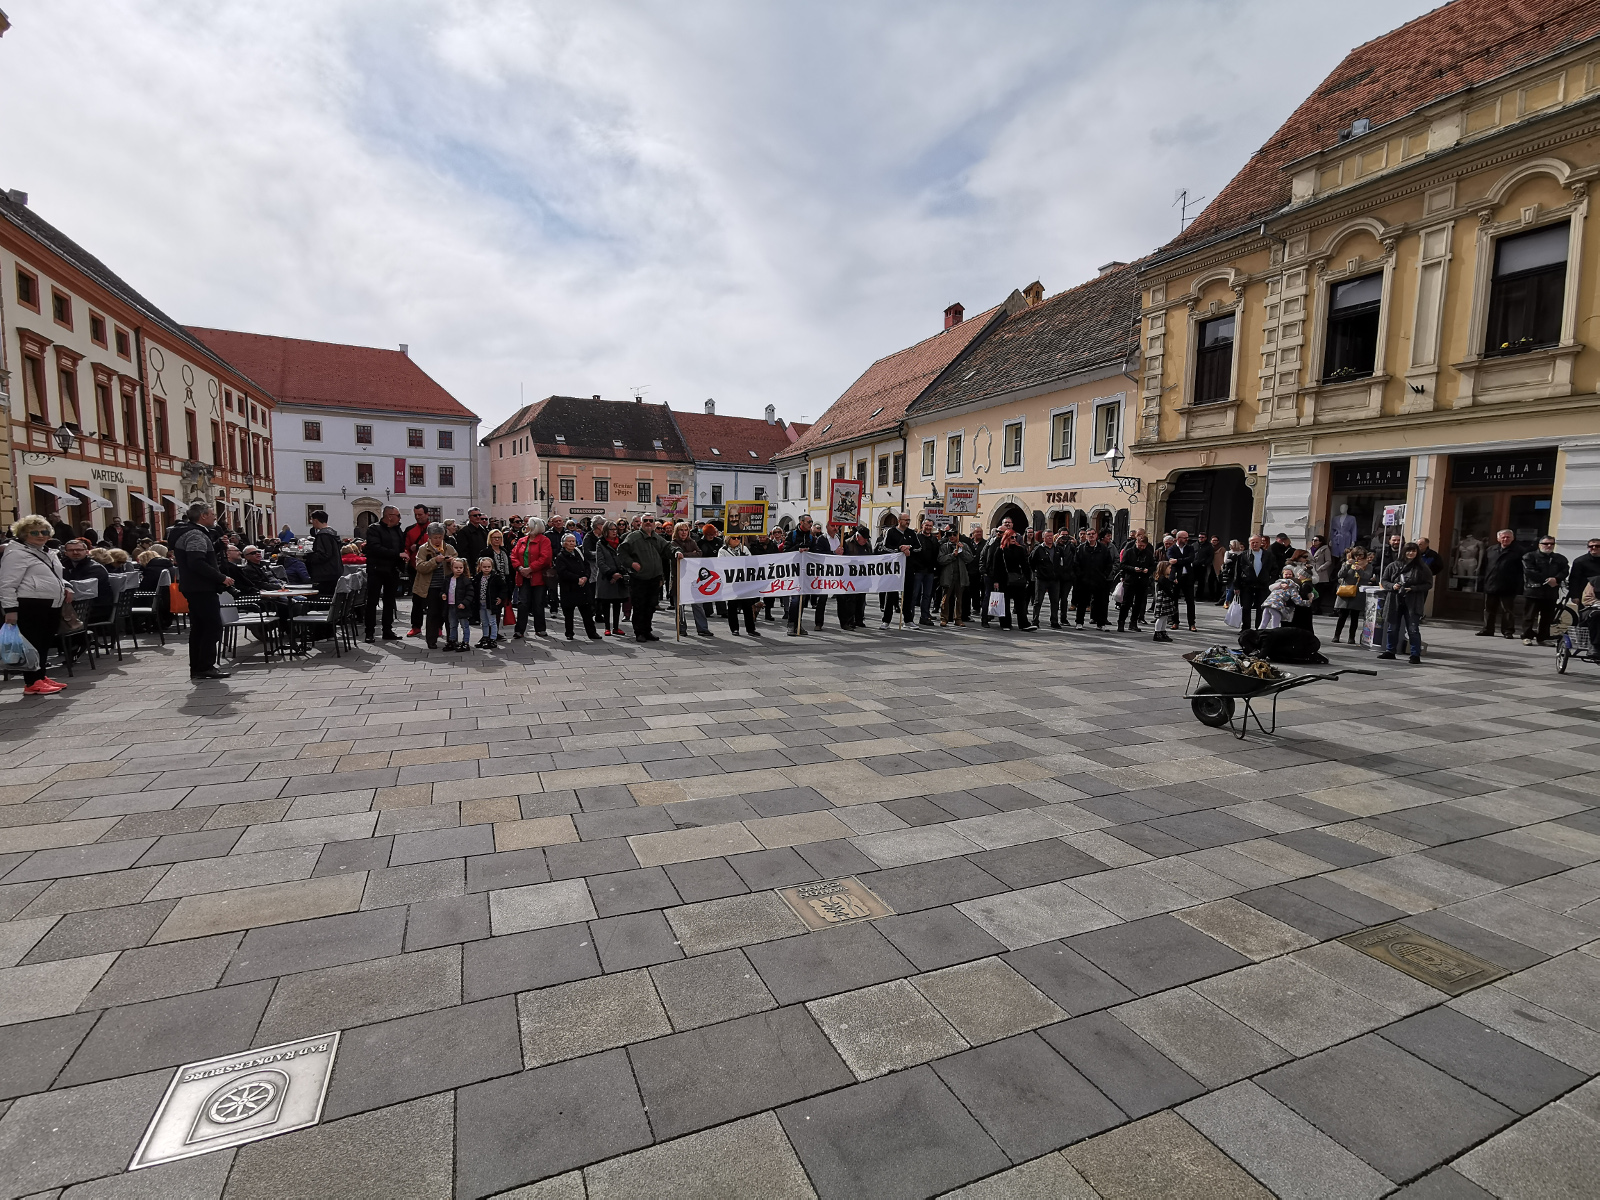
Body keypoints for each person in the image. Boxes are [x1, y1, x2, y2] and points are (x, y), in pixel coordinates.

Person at [1, 515, 73, 695]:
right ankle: (32, 682)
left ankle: (40, 676)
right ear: (23, 534)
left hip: (51, 603)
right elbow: (7, 584)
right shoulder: (16, 553)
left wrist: (66, 586)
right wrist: (10, 610)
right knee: (32, 644)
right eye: (34, 532)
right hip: (30, 603)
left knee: (44, 642)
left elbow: (54, 576)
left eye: (44, 531)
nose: (41, 535)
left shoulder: (48, 552)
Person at [172, 501, 233, 680]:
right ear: (203, 515)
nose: (215, 518)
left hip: (193, 587)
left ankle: (198, 667)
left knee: (199, 627)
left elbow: (198, 556)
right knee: (212, 626)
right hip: (201, 587)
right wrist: (220, 577)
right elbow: (197, 562)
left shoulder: (188, 532)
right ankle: (205, 666)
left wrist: (217, 546)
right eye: (212, 514)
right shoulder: (196, 534)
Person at [1378, 542, 1432, 664]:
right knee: (1392, 628)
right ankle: (1390, 651)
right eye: (1408, 550)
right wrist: (1393, 586)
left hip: (1413, 602)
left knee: (1413, 629)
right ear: (1404, 552)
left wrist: (1413, 588)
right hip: (1394, 600)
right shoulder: (1393, 566)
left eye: (1414, 551)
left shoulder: (1422, 567)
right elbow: (1384, 581)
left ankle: (1415, 654)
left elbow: (1428, 584)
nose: (1411, 553)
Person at [621, 515, 670, 642]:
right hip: (639, 578)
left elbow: (667, 547)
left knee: (651, 606)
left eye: (651, 521)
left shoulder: (657, 537)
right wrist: (631, 563)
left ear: (654, 523)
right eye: (645, 520)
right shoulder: (633, 537)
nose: (648, 523)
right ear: (641, 523)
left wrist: (677, 552)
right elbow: (621, 552)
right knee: (639, 606)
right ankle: (639, 632)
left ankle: (647, 631)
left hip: (654, 578)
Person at [362, 506, 407, 642]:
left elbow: (401, 546)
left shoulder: (397, 530)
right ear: (390, 516)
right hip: (377, 569)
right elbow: (375, 548)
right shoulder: (374, 529)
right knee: (372, 601)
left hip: (392, 569)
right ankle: (369, 632)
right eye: (398, 515)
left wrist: (403, 556)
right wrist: (397, 554)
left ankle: (387, 630)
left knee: (389, 601)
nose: (400, 518)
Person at [412, 523, 454, 649]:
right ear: (429, 537)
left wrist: (452, 562)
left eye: (440, 537)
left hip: (446, 586)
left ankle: (452, 639)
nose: (438, 540)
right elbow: (420, 567)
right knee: (433, 613)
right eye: (435, 537)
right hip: (430, 587)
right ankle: (431, 640)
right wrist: (434, 561)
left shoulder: (449, 548)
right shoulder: (423, 549)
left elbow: (459, 564)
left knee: (448, 614)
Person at [1522, 535, 1568, 645]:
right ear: (1539, 545)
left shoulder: (1559, 558)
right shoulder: (1529, 556)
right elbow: (1529, 571)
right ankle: (1526, 636)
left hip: (1550, 592)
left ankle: (1543, 638)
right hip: (1534, 591)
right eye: (1546, 544)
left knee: (1547, 617)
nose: (1549, 546)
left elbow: (1565, 570)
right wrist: (1548, 580)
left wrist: (1556, 579)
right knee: (1529, 616)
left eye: (1552, 544)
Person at [555, 533, 601, 640]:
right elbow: (562, 572)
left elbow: (587, 566)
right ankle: (569, 633)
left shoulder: (579, 552)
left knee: (587, 612)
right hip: (569, 588)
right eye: (569, 541)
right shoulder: (561, 557)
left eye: (573, 541)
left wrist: (585, 577)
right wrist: (577, 579)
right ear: (563, 544)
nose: (572, 543)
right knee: (569, 613)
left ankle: (592, 633)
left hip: (583, 587)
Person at [511, 519, 553, 639]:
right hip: (523, 576)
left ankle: (540, 628)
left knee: (538, 603)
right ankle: (519, 630)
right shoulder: (522, 540)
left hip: (538, 577)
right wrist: (520, 568)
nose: (525, 526)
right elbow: (513, 555)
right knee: (522, 603)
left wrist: (530, 569)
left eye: (528, 525)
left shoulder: (544, 540)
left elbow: (545, 558)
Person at [60, 539, 113, 625]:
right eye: (71, 550)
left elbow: (78, 589)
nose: (75, 552)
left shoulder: (95, 568)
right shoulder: (62, 565)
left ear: (87, 552)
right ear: (65, 553)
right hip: (75, 607)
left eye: (79, 550)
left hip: (95, 609)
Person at [718, 536, 762, 636]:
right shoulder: (723, 550)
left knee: (747, 605)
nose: (737, 540)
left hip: (744, 580)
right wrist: (737, 560)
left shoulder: (744, 548)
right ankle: (734, 628)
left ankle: (751, 629)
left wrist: (745, 559)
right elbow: (721, 564)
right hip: (732, 582)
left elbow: (752, 562)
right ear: (728, 539)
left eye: (738, 538)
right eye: (734, 538)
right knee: (732, 606)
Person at [1074, 529, 1115, 629]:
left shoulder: (1103, 549)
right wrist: (1081, 576)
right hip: (1085, 580)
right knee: (1082, 602)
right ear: (1086, 536)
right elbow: (1076, 564)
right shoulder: (1081, 548)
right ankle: (1079, 622)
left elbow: (1109, 564)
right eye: (1089, 534)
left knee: (1101, 602)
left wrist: (1104, 575)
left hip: (1099, 579)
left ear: (1096, 535)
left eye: (1093, 534)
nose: (1091, 536)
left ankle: (1101, 623)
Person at [594, 523, 630, 635]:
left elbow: (625, 558)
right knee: (606, 603)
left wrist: (620, 573)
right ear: (606, 531)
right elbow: (600, 562)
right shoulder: (601, 543)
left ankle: (616, 627)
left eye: (615, 529)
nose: (614, 531)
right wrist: (611, 574)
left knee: (617, 603)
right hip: (606, 578)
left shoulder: (621, 542)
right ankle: (607, 627)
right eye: (611, 529)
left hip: (619, 577)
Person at [403, 504, 433, 637]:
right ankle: (416, 626)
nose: (418, 517)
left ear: (427, 514)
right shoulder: (410, 530)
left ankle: (436, 627)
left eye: (420, 514)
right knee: (416, 600)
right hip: (416, 569)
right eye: (416, 515)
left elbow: (438, 545)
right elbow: (406, 547)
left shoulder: (435, 528)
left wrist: (419, 546)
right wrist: (406, 554)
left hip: (432, 568)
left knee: (434, 600)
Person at [994, 528, 1032, 631]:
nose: (1014, 539)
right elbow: (996, 567)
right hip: (1004, 580)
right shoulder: (1000, 550)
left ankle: (1024, 624)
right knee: (1005, 603)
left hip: (1018, 579)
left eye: (1015, 537)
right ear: (1006, 537)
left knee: (1020, 603)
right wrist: (996, 581)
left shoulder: (1020, 549)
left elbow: (1025, 565)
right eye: (1012, 537)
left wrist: (1028, 578)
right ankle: (1005, 623)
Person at [1118, 531, 1156, 633]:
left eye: (1143, 546)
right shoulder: (1129, 552)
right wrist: (1133, 569)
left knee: (1139, 603)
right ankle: (1121, 622)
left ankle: (1133, 622)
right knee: (1126, 603)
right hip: (1130, 580)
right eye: (1140, 545)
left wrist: (1148, 570)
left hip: (1142, 581)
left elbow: (1153, 565)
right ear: (1136, 543)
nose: (1141, 547)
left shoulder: (1148, 553)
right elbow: (1122, 565)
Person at [1332, 549, 1372, 645]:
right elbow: (1340, 575)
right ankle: (1336, 636)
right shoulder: (1347, 563)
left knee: (1355, 617)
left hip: (1357, 593)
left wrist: (1359, 570)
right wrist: (1347, 565)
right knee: (1342, 616)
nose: (1358, 557)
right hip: (1346, 592)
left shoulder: (1368, 566)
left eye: (1361, 555)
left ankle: (1351, 637)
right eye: (1356, 555)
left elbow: (1367, 577)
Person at [881, 513, 915, 627]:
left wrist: (909, 548)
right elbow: (885, 547)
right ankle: (886, 620)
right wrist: (899, 549)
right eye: (905, 520)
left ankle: (908, 620)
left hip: (908, 568)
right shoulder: (891, 532)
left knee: (908, 595)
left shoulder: (911, 533)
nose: (908, 522)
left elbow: (918, 547)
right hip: (894, 569)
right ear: (899, 521)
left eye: (909, 520)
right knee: (891, 594)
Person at [907, 520, 940, 626]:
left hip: (929, 571)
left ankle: (924, 617)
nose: (928, 527)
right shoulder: (916, 538)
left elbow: (936, 555)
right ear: (922, 526)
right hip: (917, 571)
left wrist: (936, 569)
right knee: (914, 595)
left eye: (930, 526)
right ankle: (909, 618)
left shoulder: (934, 539)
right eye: (926, 525)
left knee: (927, 595)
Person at [938, 528, 973, 627]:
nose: (952, 537)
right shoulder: (944, 546)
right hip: (948, 575)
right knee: (945, 598)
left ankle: (958, 618)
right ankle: (944, 618)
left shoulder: (964, 545)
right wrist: (952, 555)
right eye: (950, 535)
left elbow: (970, 559)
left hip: (960, 576)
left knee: (959, 599)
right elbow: (941, 559)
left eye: (954, 534)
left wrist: (962, 551)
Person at [303, 510, 343, 597]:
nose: (312, 523)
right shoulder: (332, 533)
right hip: (335, 571)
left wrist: (308, 558)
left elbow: (323, 554)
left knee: (321, 597)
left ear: (316, 520)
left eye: (312, 520)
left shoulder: (323, 535)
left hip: (325, 573)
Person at [1167, 530, 1198, 631]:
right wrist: (1183, 560)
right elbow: (1171, 560)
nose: (1187, 539)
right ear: (1178, 538)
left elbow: (1191, 558)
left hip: (1187, 577)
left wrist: (1178, 560)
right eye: (1185, 538)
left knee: (1190, 601)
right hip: (1176, 577)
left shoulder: (1190, 548)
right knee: (1174, 600)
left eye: (1187, 537)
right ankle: (1175, 621)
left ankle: (1192, 623)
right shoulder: (1172, 549)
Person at [443, 557, 472, 651]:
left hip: (462, 607)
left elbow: (470, 593)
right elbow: (443, 590)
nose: (458, 569)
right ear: (452, 568)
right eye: (456, 568)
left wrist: (464, 603)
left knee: (464, 626)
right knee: (452, 625)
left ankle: (465, 642)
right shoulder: (448, 579)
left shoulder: (465, 580)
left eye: (461, 568)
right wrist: (443, 594)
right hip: (451, 605)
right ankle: (452, 641)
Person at [1569, 538, 1600, 607]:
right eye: (1591, 546)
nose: (1594, 548)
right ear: (1588, 548)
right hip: (1586, 595)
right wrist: (1574, 596)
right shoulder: (1580, 561)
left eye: (1597, 546)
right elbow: (1574, 579)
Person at [1308, 535, 1333, 615]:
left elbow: (1328, 561)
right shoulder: (1310, 549)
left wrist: (1321, 568)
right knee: (1311, 591)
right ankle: (1311, 607)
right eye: (1313, 540)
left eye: (1316, 540)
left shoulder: (1325, 549)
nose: (1314, 542)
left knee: (1319, 592)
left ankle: (1317, 608)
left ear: (1320, 541)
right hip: (1311, 573)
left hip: (1320, 573)